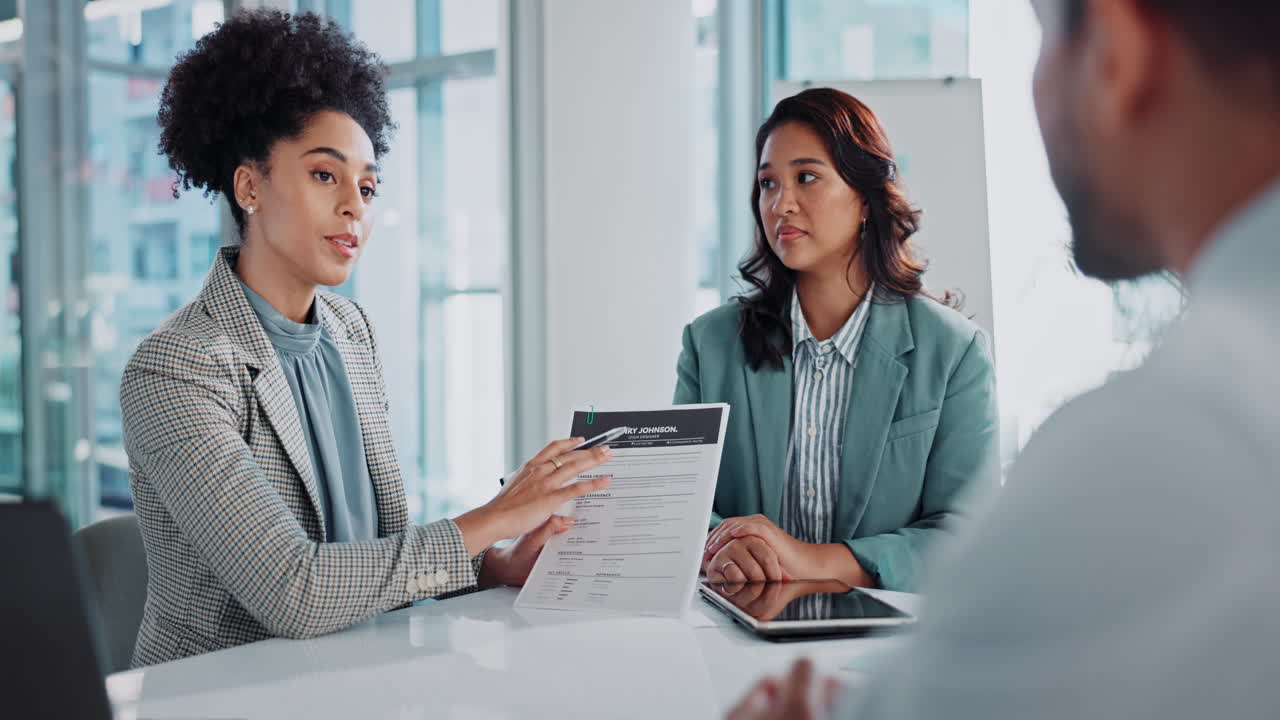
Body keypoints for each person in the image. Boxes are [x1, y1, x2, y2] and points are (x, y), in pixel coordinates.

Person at [728, 0, 1280, 717]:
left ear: (1117, 53)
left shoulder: (1163, 440)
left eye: (1041, 36)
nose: (782, 204)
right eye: (769, 182)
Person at [119, 10, 611, 668]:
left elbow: (371, 555)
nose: (356, 204)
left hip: (357, 681)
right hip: (225, 699)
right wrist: (493, 518)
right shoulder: (175, 369)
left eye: (368, 185)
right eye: (326, 175)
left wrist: (492, 564)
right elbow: (294, 590)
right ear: (249, 185)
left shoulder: (351, 333)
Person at [675, 88, 1000, 594]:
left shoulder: (954, 352)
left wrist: (809, 560)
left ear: (865, 196)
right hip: (734, 630)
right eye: (767, 184)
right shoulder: (709, 345)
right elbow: (679, 505)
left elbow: (965, 539)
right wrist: (722, 542)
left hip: (887, 641)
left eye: (806, 177)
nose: (781, 204)